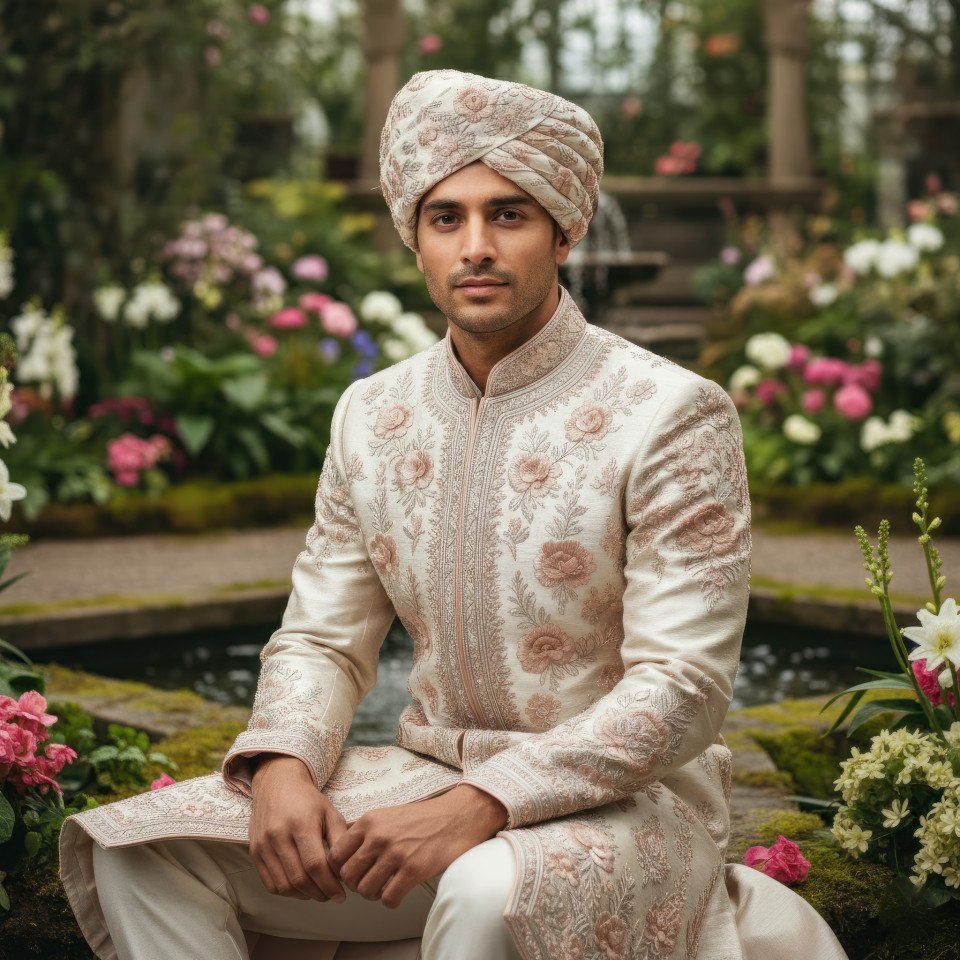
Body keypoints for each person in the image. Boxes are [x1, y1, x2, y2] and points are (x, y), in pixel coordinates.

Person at [60, 70, 848, 960]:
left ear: (566, 228)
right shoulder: (373, 414)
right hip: (426, 780)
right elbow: (322, 638)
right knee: (139, 852)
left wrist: (479, 808)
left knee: (481, 887)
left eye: (508, 214)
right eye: (447, 218)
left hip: (628, 810)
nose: (475, 244)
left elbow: (682, 691)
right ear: (416, 238)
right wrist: (280, 764)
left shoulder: (669, 412)